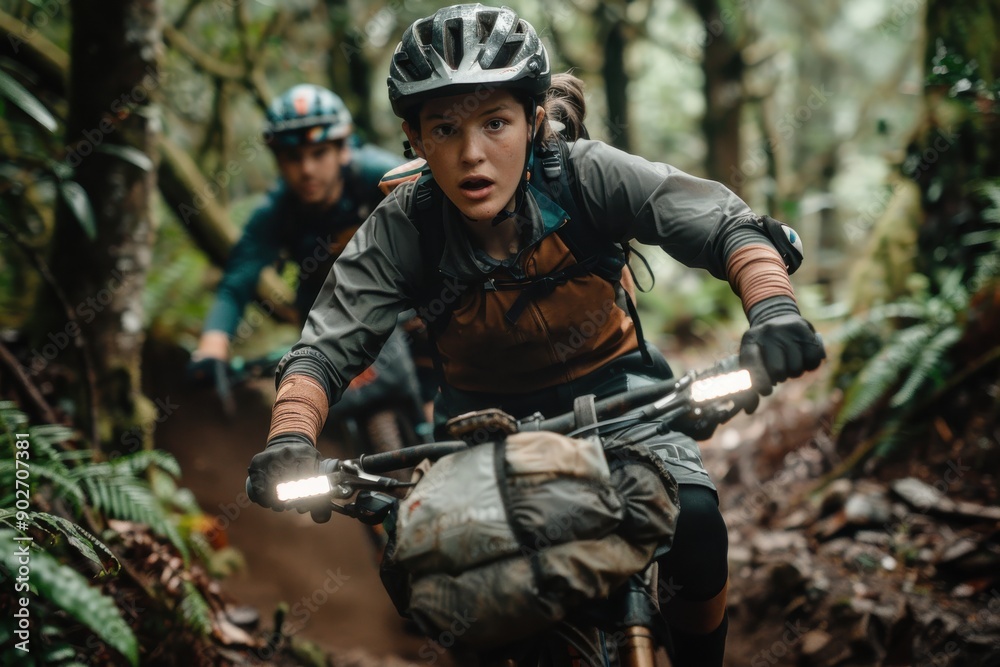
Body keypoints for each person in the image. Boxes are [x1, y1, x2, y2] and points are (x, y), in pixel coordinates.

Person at [246, 5, 825, 666]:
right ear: (414, 136)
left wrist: (775, 311)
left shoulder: (585, 175)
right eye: (445, 128)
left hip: (624, 400)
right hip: (476, 429)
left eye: (495, 122)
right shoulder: (404, 226)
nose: (471, 154)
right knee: (452, 586)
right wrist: (291, 435)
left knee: (694, 525)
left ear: (533, 119)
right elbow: (324, 347)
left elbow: (725, 225)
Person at [188, 83, 405, 373]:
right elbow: (237, 281)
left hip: (405, 306)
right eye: (294, 157)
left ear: (343, 150)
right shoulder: (276, 211)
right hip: (326, 321)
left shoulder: (382, 178)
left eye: (319, 153)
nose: (307, 170)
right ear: (278, 161)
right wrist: (212, 346)